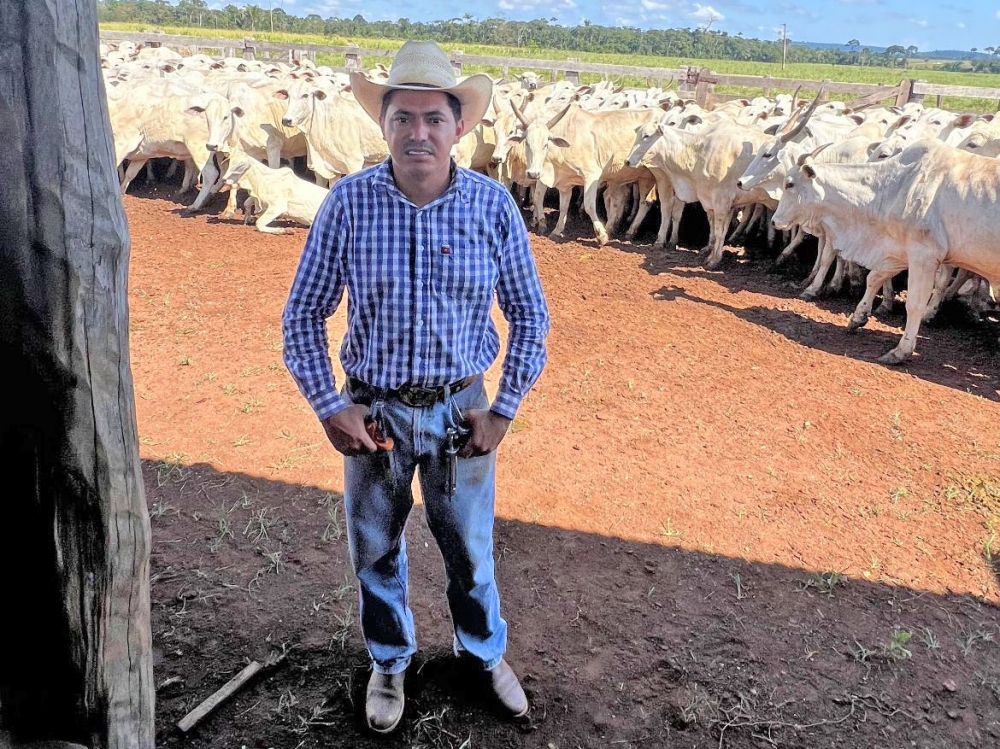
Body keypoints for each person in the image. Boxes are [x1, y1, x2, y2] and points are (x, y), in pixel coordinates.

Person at [282, 40, 550, 735]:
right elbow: (303, 314)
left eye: (434, 118)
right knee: (375, 545)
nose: (418, 132)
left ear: (460, 126)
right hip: (372, 411)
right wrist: (330, 404)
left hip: (463, 409)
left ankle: (483, 651)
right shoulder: (347, 203)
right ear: (385, 124)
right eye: (403, 117)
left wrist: (504, 409)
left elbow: (530, 315)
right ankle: (391, 659)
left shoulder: (492, 208)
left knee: (468, 546)